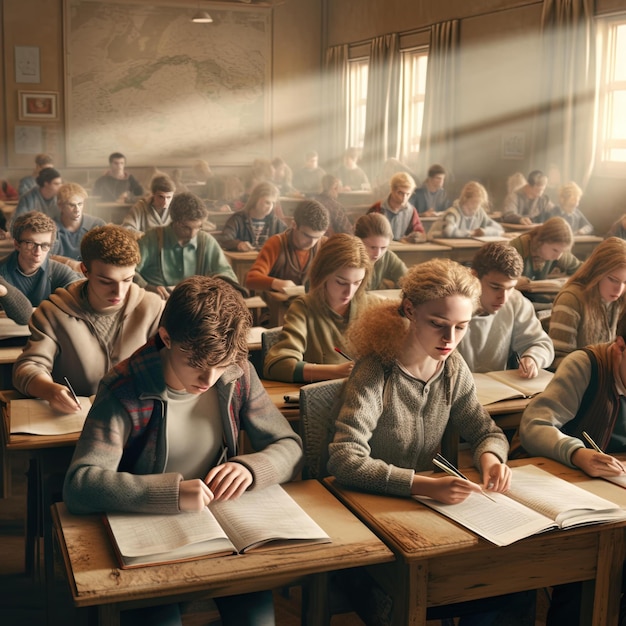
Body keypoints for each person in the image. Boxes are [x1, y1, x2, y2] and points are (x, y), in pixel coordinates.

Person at [63, 275, 302, 626]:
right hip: (147, 536)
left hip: (223, 532)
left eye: (219, 365)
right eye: (196, 363)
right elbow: (80, 484)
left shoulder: (237, 374)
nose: (209, 379)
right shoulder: (123, 387)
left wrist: (252, 468)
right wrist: (171, 493)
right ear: (166, 338)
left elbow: (290, 446)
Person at [327, 258, 516, 624]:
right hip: (367, 522)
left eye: (461, 327)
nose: (450, 340)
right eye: (438, 325)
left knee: (505, 580)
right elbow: (345, 459)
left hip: (426, 517)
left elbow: (486, 431)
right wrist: (422, 485)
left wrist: (491, 457)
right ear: (410, 310)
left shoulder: (453, 368)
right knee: (459, 585)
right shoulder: (376, 369)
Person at [519, 312, 626, 625]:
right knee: (585, 576)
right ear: (620, 347)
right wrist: (577, 453)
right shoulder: (588, 365)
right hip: (570, 490)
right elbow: (534, 425)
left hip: (616, 493)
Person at [12, 224, 165, 410]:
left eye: (127, 280)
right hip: (76, 419)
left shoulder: (153, 307)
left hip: (137, 416)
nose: (119, 292)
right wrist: (49, 389)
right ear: (85, 270)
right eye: (106, 281)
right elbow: (28, 367)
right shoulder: (52, 313)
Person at [263, 233, 377, 383]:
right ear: (323, 275)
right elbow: (277, 365)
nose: (349, 292)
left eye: (357, 283)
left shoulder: (373, 307)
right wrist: (336, 371)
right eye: (341, 282)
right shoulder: (304, 308)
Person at [458, 242, 554, 374]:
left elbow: (541, 344)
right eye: (495, 287)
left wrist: (532, 357)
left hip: (498, 389)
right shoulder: (453, 302)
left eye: (510, 288)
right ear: (474, 276)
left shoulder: (516, 301)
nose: (503, 298)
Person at [135, 192, 237, 299]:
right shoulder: (152, 238)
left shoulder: (206, 241)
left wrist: (215, 284)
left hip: (194, 304)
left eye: (198, 227)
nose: (192, 234)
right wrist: (147, 287)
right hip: (156, 302)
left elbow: (228, 275)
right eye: (186, 228)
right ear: (174, 220)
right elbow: (130, 271)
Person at [549, 237, 626, 370]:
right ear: (597, 271)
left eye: (625, 282)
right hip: (578, 382)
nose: (619, 289)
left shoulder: (618, 300)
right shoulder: (571, 299)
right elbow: (557, 361)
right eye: (613, 279)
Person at [0, 212, 82, 321]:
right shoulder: (2, 270)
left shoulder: (59, 271)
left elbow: (83, 300)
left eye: (45, 245)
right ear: (17, 244)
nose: (38, 252)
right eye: (30, 244)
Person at [245, 199, 329, 294]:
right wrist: (276, 283)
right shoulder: (276, 243)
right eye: (307, 236)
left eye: (317, 237)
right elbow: (251, 279)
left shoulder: (325, 245)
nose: (312, 243)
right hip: (279, 306)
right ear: (294, 225)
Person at [509, 216, 581, 282]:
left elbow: (583, 270)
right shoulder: (517, 248)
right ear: (541, 241)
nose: (557, 257)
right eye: (555, 250)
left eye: (562, 252)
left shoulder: (559, 253)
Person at [221, 181, 286, 251]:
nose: (270, 207)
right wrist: (238, 244)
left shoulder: (276, 223)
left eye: (273, 203)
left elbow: (288, 240)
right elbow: (224, 240)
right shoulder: (237, 219)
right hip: (244, 261)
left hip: (268, 261)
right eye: (267, 202)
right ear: (255, 200)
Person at [428, 181, 503, 239]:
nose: (476, 207)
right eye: (474, 202)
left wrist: (484, 232)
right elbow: (449, 231)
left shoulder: (479, 213)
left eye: (478, 204)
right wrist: (471, 233)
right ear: (465, 199)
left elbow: (499, 229)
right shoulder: (453, 213)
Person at [354, 212, 407, 290]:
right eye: (372, 247)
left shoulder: (388, 256)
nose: (378, 254)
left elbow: (408, 281)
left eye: (383, 248)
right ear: (357, 241)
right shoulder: (350, 259)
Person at [367, 171, 426, 242]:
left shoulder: (411, 211)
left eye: (408, 194)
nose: (404, 198)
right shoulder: (377, 208)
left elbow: (420, 231)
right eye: (400, 193)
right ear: (392, 190)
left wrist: (417, 236)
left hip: (403, 250)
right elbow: (365, 233)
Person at [54, 183, 106, 261]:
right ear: (60, 206)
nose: (77, 210)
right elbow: (47, 258)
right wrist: (70, 263)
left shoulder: (98, 225)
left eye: (80, 204)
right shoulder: (51, 227)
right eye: (72, 205)